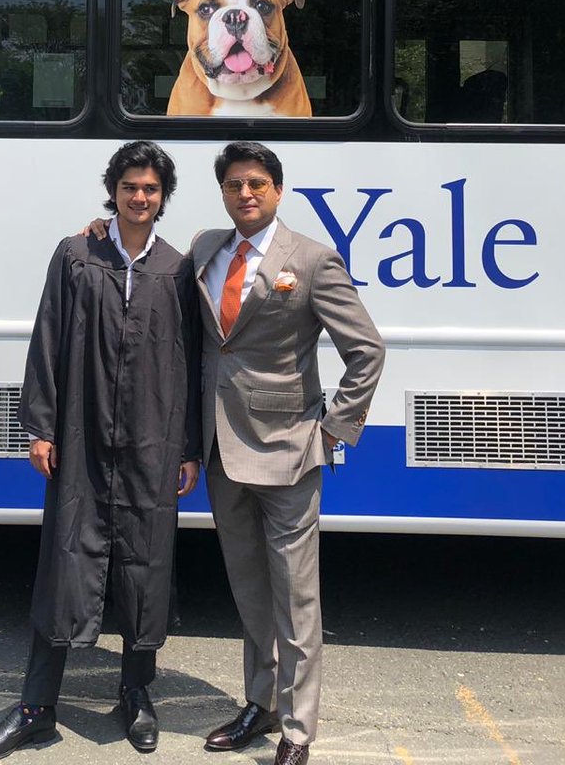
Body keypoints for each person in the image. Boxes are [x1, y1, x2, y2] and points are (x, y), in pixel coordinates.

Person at [85, 140, 385, 765]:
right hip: (222, 451)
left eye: (256, 184)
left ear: (277, 189)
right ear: (222, 193)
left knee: (297, 600)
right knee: (250, 593)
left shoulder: (311, 260)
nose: (245, 194)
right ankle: (261, 703)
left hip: (288, 452)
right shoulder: (205, 249)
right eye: (233, 186)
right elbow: (139, 248)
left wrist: (333, 430)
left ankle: (298, 731)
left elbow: (367, 351)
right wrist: (98, 228)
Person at [0, 140, 202, 763]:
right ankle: (36, 708)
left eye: (150, 189)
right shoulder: (75, 255)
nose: (140, 198)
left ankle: (137, 694)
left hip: (152, 441)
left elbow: (192, 365)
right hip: (79, 436)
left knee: (146, 567)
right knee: (64, 567)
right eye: (130, 187)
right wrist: (38, 424)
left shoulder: (177, 270)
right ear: (113, 192)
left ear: (162, 198)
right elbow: (47, 340)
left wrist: (189, 447)